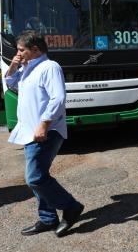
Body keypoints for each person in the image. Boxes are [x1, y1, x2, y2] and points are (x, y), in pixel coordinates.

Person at [5, 31, 84, 237]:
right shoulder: (27, 68)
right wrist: (14, 66)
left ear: (36, 49)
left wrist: (43, 124)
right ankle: (48, 218)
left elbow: (58, 98)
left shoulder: (49, 67)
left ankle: (71, 206)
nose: (18, 53)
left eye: (21, 49)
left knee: (35, 178)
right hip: (29, 132)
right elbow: (10, 84)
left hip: (45, 132)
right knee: (39, 176)